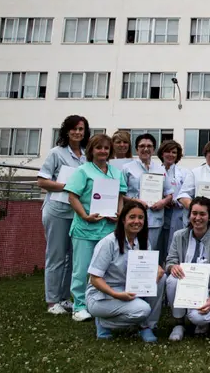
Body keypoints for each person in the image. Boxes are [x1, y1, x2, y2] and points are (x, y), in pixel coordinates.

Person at [65, 133, 127, 322]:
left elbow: (120, 197)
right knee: (82, 269)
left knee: (106, 269)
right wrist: (84, 215)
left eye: (106, 148)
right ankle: (79, 306)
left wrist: (119, 214)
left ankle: (101, 302)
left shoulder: (116, 172)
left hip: (108, 228)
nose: (103, 151)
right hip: (85, 227)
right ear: (91, 150)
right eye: (99, 147)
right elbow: (72, 197)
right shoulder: (83, 171)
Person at [86, 201, 165, 342]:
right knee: (143, 310)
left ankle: (147, 326)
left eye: (141, 218)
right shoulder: (108, 243)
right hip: (102, 295)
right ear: (123, 219)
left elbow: (150, 267)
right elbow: (94, 279)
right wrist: (116, 294)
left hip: (129, 288)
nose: (137, 221)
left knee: (161, 279)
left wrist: (157, 269)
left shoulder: (144, 242)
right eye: (132, 217)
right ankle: (104, 322)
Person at [37, 114, 89, 315]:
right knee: (56, 256)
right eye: (74, 129)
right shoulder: (56, 153)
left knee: (72, 258)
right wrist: (68, 186)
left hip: (76, 212)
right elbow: (42, 181)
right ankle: (52, 301)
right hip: (57, 211)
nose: (78, 132)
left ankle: (65, 298)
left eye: (81, 129)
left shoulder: (86, 156)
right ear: (66, 131)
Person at [165, 197, 210, 341]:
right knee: (172, 280)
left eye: (202, 214)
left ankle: (202, 321)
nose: (197, 218)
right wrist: (173, 267)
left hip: (204, 290)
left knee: (200, 318)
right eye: (194, 213)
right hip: (183, 285)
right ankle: (179, 323)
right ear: (189, 214)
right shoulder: (179, 236)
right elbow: (170, 260)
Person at [122, 134, 174, 263]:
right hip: (133, 218)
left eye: (149, 146)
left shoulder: (160, 169)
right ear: (136, 149)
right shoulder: (127, 168)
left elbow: (169, 193)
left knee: (149, 255)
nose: (146, 149)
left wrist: (163, 201)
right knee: (131, 253)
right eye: (142, 146)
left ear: (154, 149)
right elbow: (120, 194)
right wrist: (136, 201)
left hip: (154, 219)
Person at [158, 140, 186, 262]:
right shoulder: (154, 171)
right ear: (162, 153)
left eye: (174, 152)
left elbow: (186, 193)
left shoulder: (184, 173)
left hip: (177, 213)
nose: (171, 155)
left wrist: (176, 202)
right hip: (159, 212)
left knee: (174, 247)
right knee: (159, 246)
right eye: (167, 151)